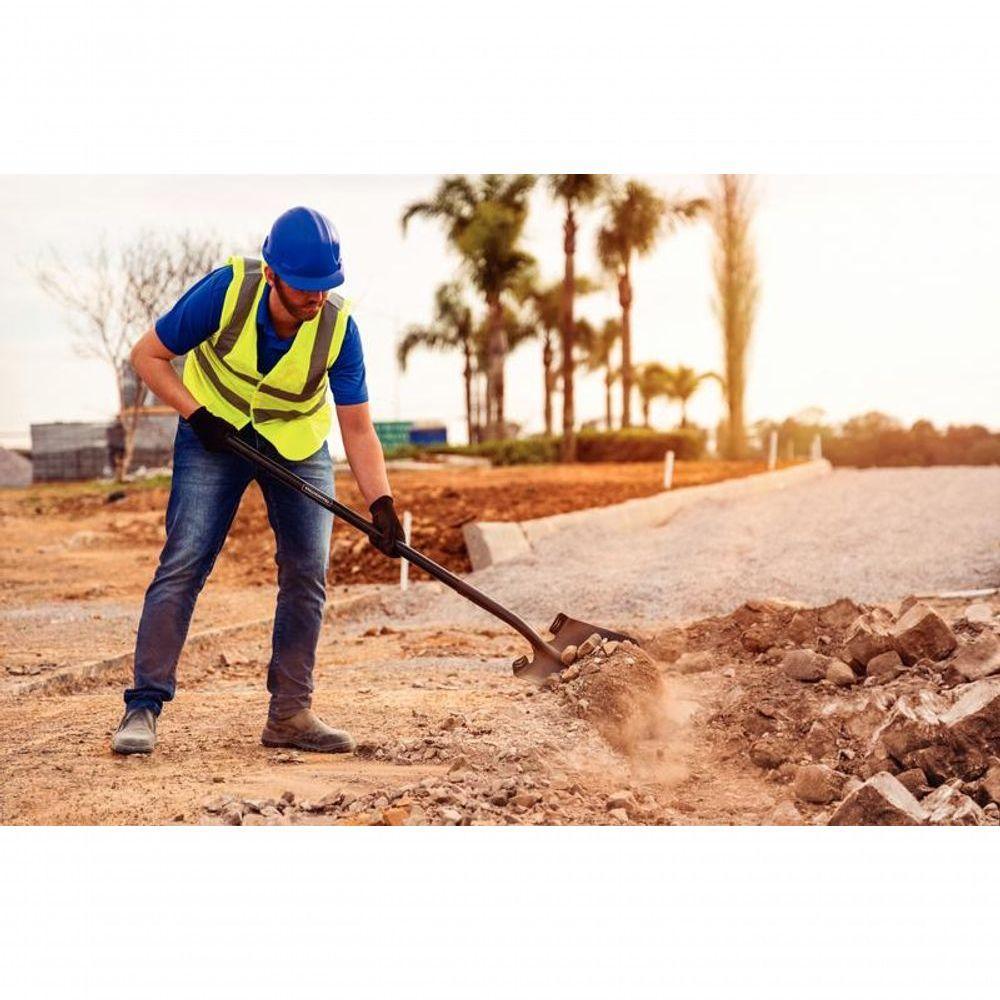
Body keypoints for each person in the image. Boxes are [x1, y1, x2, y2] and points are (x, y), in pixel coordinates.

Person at [111, 206, 403, 756]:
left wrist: (381, 503)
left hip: (295, 443)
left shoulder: (339, 329)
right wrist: (197, 416)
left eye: (326, 286)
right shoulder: (227, 292)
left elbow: (358, 429)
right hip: (212, 433)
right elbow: (147, 357)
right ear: (272, 274)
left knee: (307, 570)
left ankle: (290, 715)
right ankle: (143, 706)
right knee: (184, 560)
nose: (316, 298)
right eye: (305, 287)